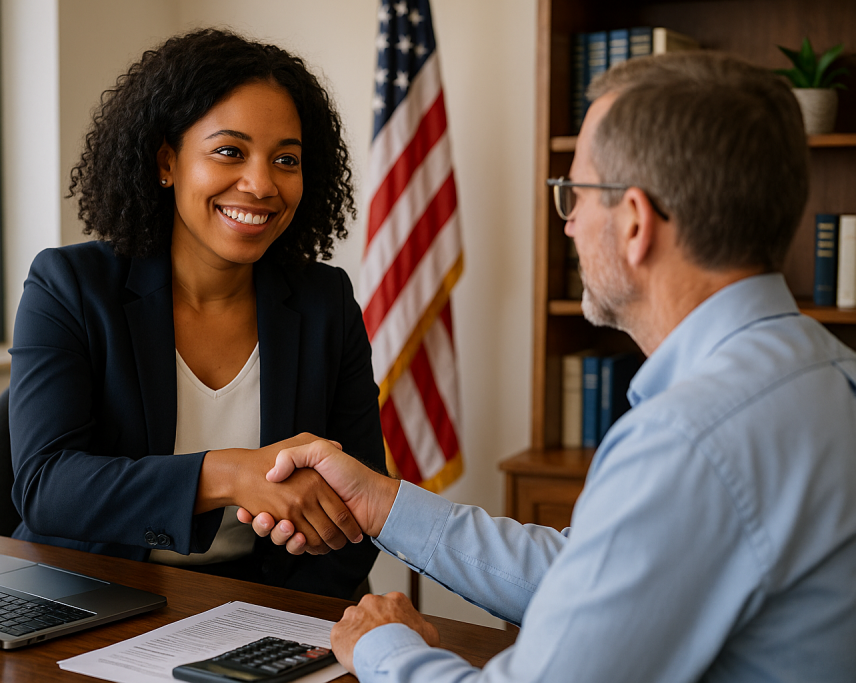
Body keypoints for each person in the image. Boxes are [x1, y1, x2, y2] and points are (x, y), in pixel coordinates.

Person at [240, 52, 856, 680]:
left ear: (636, 222)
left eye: (576, 195)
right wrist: (382, 504)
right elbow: (597, 573)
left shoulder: (690, 440)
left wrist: (384, 645)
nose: (568, 224)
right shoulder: (825, 372)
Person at [8, 28, 381, 600]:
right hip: (91, 599)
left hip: (267, 606)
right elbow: (48, 488)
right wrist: (231, 474)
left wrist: (285, 619)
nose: (261, 184)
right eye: (229, 151)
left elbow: (359, 509)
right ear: (167, 161)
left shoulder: (324, 303)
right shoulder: (69, 287)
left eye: (286, 159)